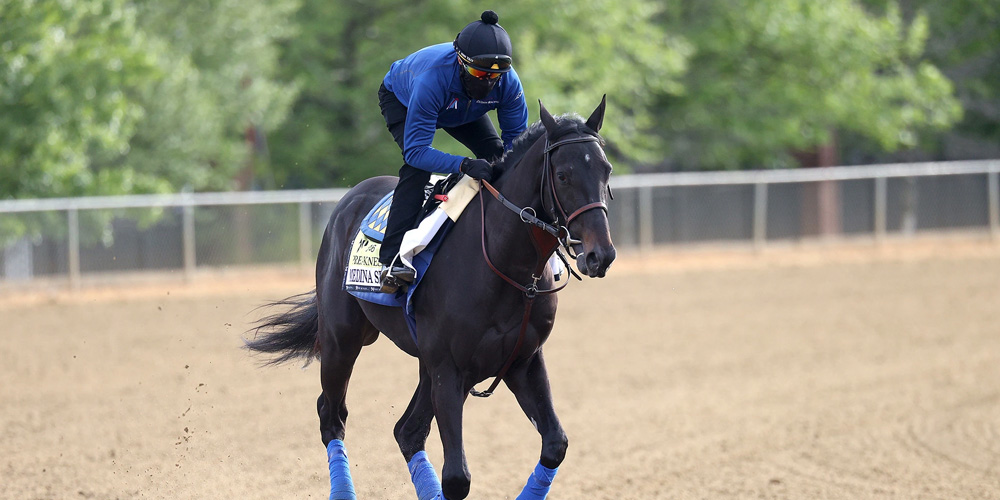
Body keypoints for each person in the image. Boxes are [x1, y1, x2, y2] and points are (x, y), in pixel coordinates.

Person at [376, 10, 529, 293]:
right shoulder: (431, 80)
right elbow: (416, 152)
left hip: (463, 107)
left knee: (499, 159)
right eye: (479, 73)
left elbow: (516, 148)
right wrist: (464, 165)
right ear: (461, 61)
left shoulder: (508, 83)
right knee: (417, 170)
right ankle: (390, 261)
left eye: (495, 75)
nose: (487, 82)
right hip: (405, 99)